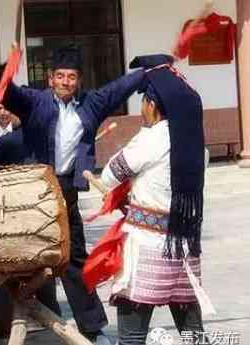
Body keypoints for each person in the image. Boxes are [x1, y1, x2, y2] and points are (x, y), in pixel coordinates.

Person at [0, 45, 172, 344]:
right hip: (33, 190)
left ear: (78, 80)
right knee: (22, 254)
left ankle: (93, 328)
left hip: (65, 189)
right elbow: (7, 94)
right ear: (50, 79)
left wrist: (152, 68)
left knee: (74, 257)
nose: (66, 82)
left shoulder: (90, 104)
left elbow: (121, 88)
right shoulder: (35, 101)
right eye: (60, 76)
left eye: (72, 77)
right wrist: (7, 70)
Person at [95, 56, 210, 345]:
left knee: (132, 338)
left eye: (144, 102)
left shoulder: (151, 138)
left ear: (153, 105)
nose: (143, 110)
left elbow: (110, 175)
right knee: (194, 336)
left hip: (146, 248)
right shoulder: (196, 144)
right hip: (183, 248)